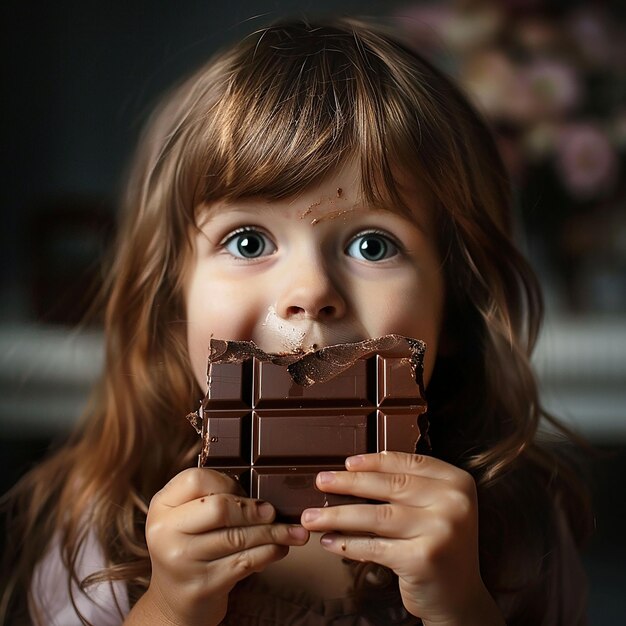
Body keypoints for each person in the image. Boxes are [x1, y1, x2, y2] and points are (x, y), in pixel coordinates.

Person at [0, 17, 592, 626]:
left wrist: (462, 607)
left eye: (372, 245)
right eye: (249, 242)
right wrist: (168, 608)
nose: (309, 293)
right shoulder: (101, 527)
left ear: (457, 305)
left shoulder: (519, 537)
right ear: (172, 300)